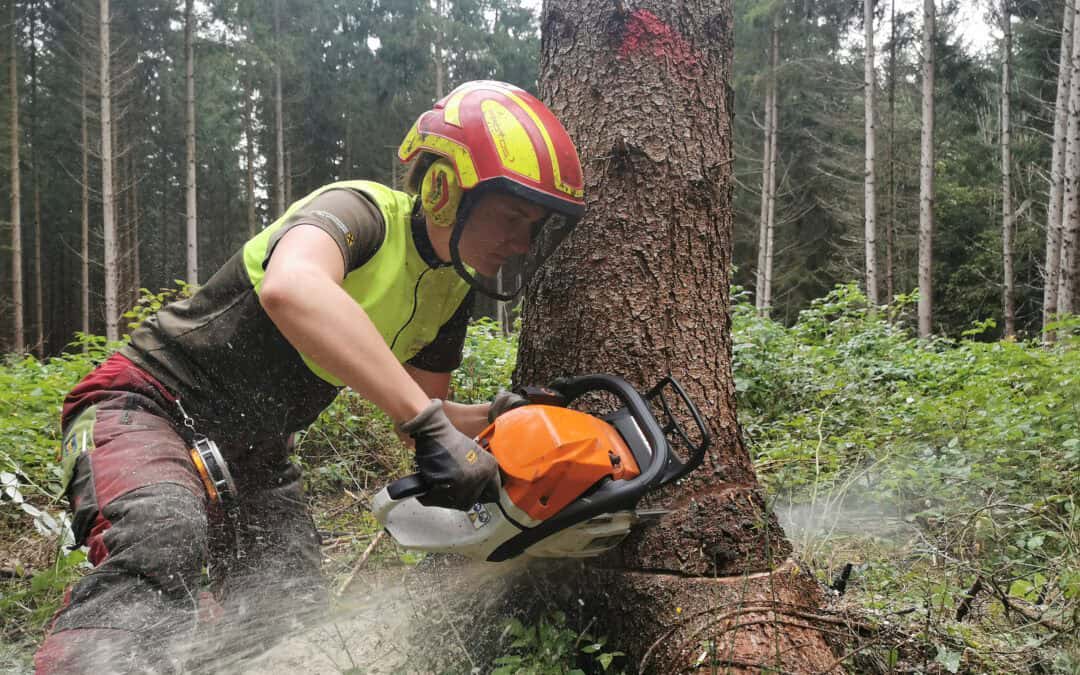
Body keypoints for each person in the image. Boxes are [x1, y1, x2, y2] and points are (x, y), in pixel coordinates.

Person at [34, 79, 585, 673]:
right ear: (446, 188)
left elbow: (423, 416)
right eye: (512, 216)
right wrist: (427, 424)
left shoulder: (451, 293)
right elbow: (291, 288)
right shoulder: (360, 211)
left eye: (535, 226)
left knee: (289, 606)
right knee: (161, 535)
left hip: (256, 456)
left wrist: (495, 420)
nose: (521, 241)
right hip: (144, 406)